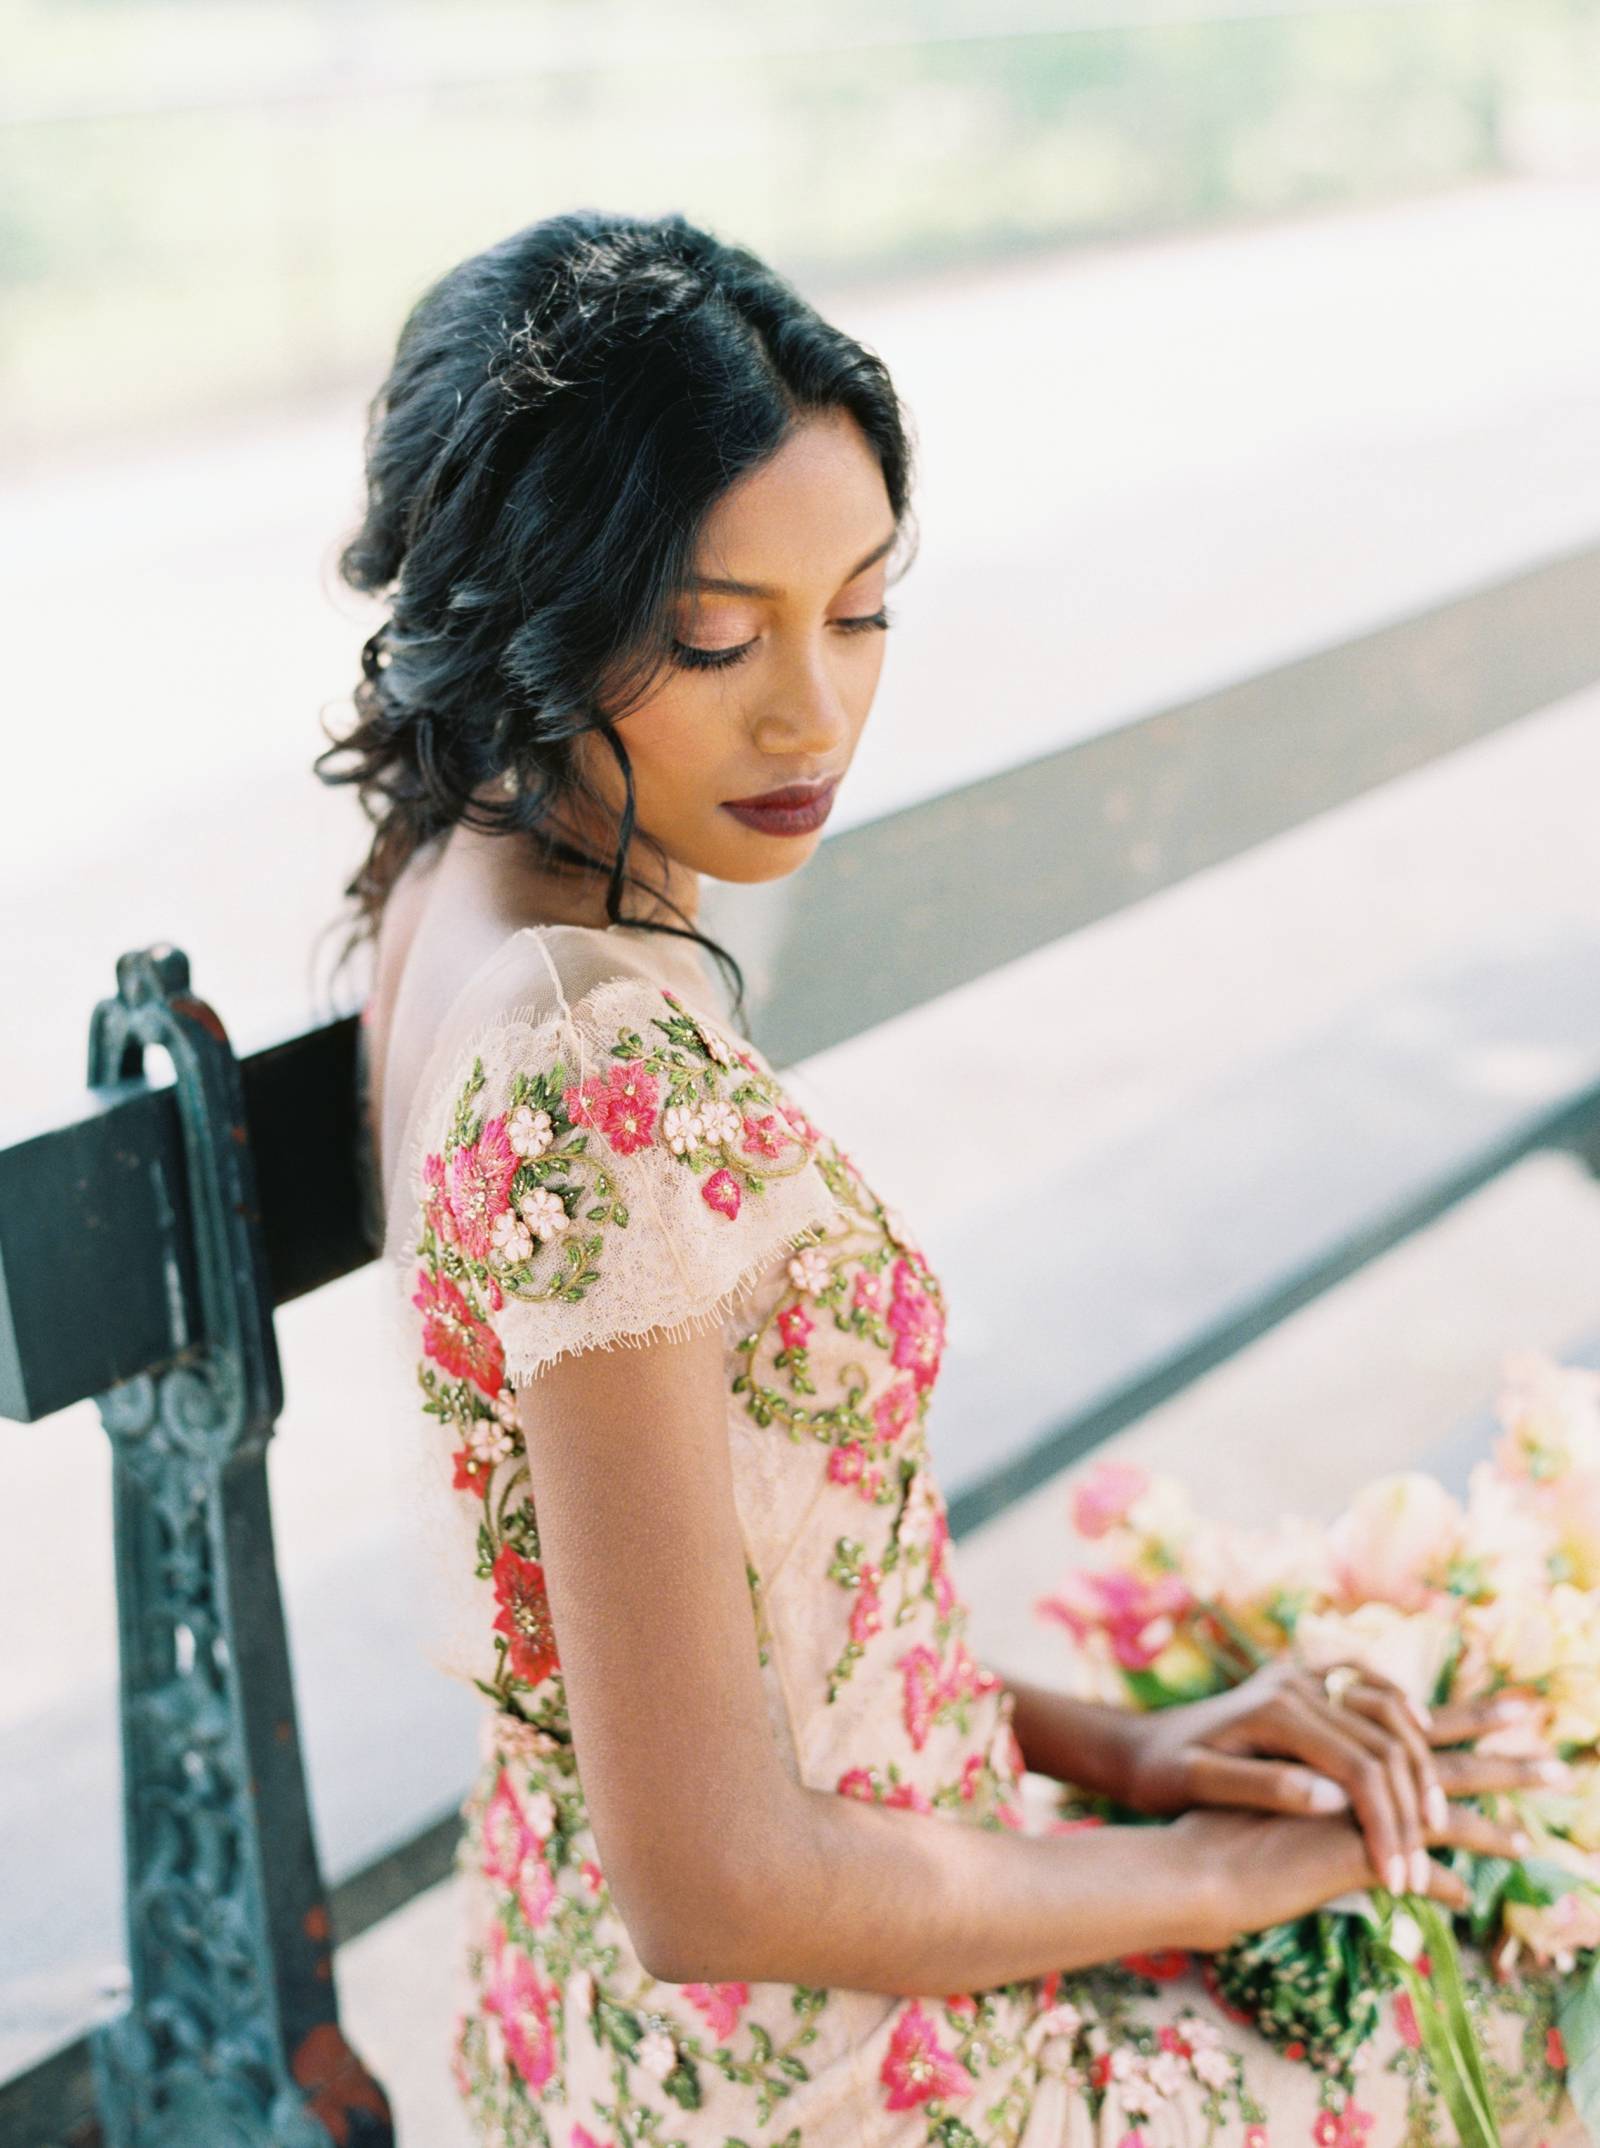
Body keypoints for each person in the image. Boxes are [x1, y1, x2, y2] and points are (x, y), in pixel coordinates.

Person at [316, 210, 1583, 2146]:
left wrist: (1129, 1749)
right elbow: (715, 1879)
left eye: (863, 607)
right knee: (1501, 1972)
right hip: (818, 2076)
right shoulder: (585, 1068)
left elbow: (697, 1641)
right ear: (528, 605)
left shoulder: (462, 884)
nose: (810, 713)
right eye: (718, 635)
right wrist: (1231, 1875)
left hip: (601, 2012)